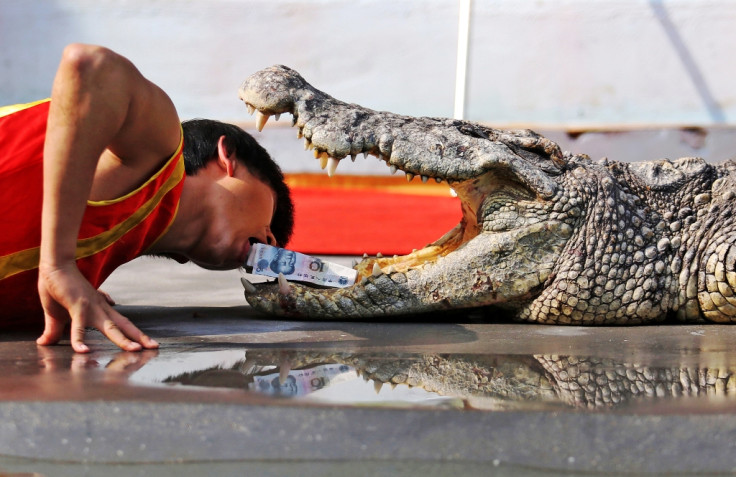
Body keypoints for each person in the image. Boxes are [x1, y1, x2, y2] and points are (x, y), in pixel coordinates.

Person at [0, 44, 294, 353]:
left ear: (185, 258)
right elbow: (90, 64)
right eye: (272, 216)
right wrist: (58, 265)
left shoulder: (89, 275)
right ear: (227, 155)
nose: (271, 243)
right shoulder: (159, 150)